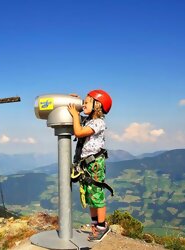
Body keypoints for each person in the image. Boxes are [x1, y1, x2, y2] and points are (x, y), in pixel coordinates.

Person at [67, 89, 113, 242]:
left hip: (95, 163)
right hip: (87, 163)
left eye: (87, 102)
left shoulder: (98, 123)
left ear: (97, 105)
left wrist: (75, 115)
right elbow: (78, 119)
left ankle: (102, 226)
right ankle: (95, 224)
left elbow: (78, 132)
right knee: (89, 194)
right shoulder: (88, 120)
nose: (83, 104)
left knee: (97, 193)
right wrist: (75, 102)